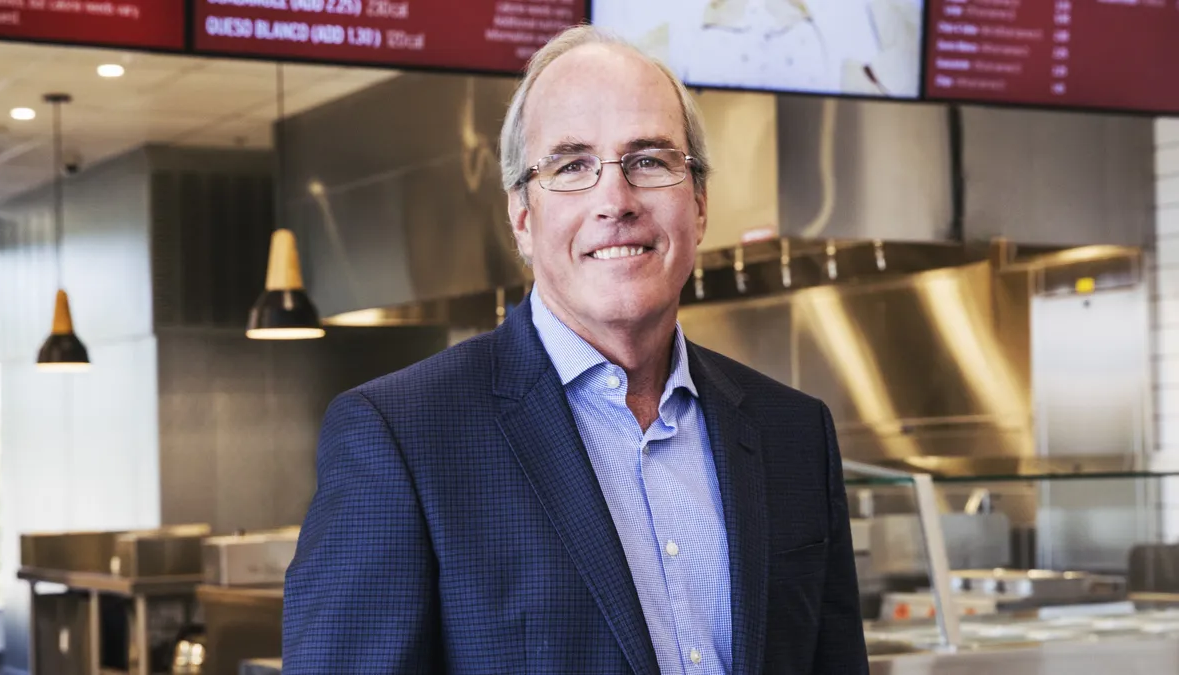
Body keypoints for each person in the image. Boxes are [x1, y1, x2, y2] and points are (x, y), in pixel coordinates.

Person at [282, 25, 867, 675]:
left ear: (698, 204)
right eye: (570, 165)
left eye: (648, 159)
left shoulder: (795, 433)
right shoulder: (402, 436)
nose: (614, 201)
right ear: (523, 218)